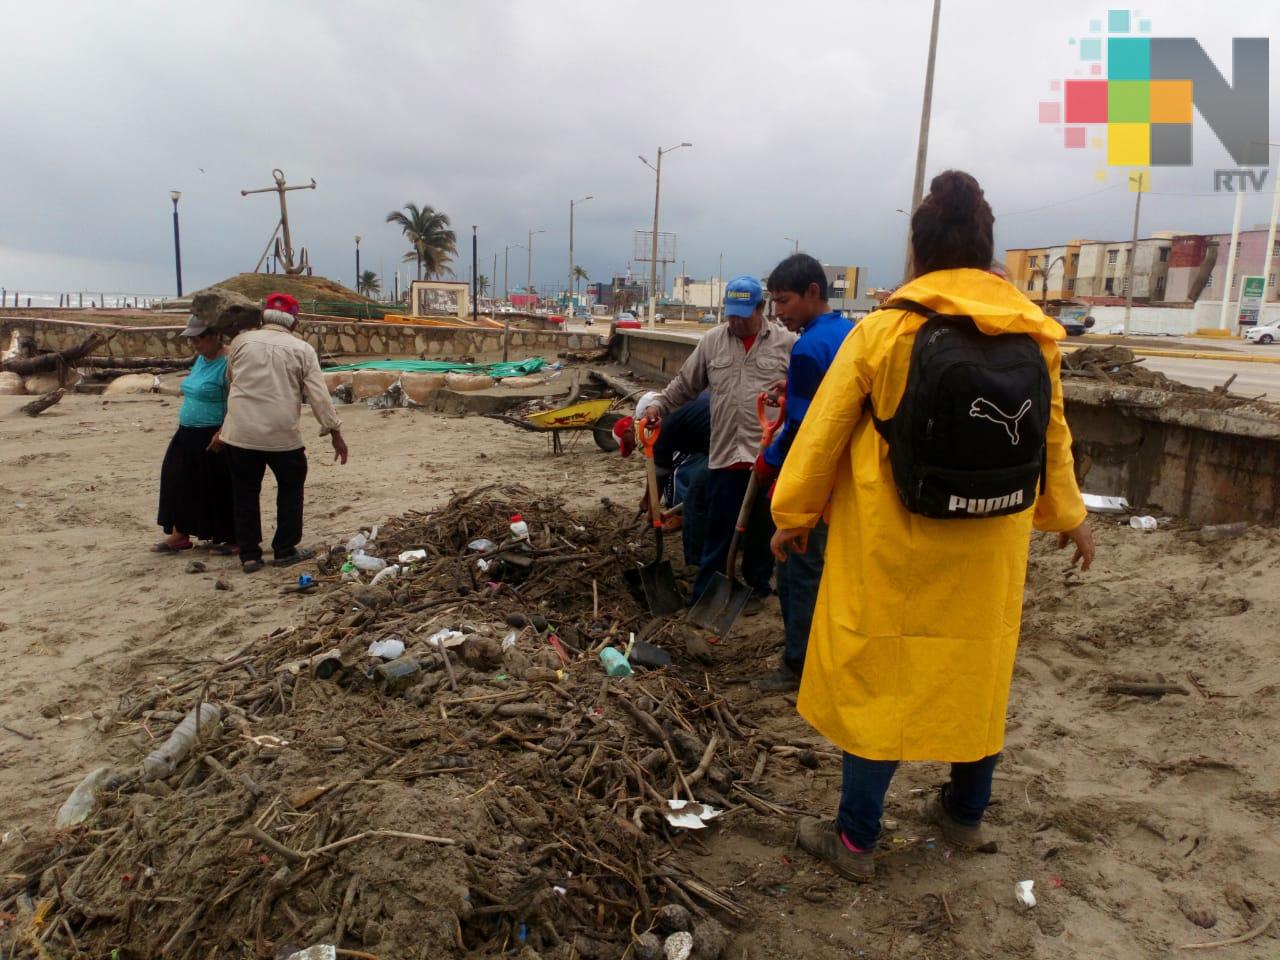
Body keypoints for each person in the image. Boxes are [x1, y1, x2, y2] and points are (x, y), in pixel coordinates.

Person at [770, 171, 1095, 882]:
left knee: (881, 681)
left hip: (894, 547)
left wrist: (791, 517)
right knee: (977, 675)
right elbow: (1053, 439)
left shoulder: (884, 332)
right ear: (986, 250)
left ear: (917, 253)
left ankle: (855, 841)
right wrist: (1068, 519)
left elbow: (820, 437)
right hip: (990, 546)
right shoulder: (1036, 337)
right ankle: (964, 813)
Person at [644, 276, 796, 610]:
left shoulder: (788, 343)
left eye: (743, 314)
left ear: (761, 308)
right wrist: (658, 407)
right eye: (731, 313)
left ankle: (757, 588)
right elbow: (685, 384)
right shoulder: (713, 342)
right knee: (719, 527)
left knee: (761, 528)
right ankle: (707, 593)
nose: (736, 321)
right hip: (726, 453)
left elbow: (808, 389)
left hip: (768, 455)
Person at [751, 254, 855, 691]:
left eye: (785, 301)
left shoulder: (808, 347)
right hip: (851, 477)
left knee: (796, 571)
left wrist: (769, 461)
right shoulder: (849, 332)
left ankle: (798, 667)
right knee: (828, 572)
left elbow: (803, 429)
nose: (779, 313)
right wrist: (792, 386)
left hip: (818, 483)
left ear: (814, 291)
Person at [212, 293, 348, 573]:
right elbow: (318, 395)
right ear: (294, 322)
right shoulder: (303, 350)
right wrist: (334, 432)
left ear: (264, 317)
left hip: (241, 433)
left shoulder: (240, 343)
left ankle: (250, 554)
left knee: (245, 493)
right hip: (282, 435)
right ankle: (284, 548)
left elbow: (232, 381)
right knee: (290, 488)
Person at [153, 317, 235, 553]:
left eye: (199, 338)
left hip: (213, 431)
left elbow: (235, 399)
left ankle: (230, 536)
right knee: (176, 478)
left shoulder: (229, 361)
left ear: (214, 335)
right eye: (191, 338)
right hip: (187, 430)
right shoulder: (201, 359)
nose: (194, 343)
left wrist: (223, 431)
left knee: (216, 485)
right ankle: (181, 532)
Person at [614, 391, 712, 570]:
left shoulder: (658, 427)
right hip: (721, 435)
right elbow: (658, 470)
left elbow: (661, 473)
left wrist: (654, 509)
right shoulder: (672, 415)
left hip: (721, 439)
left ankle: (695, 566)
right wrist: (648, 502)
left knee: (694, 502)